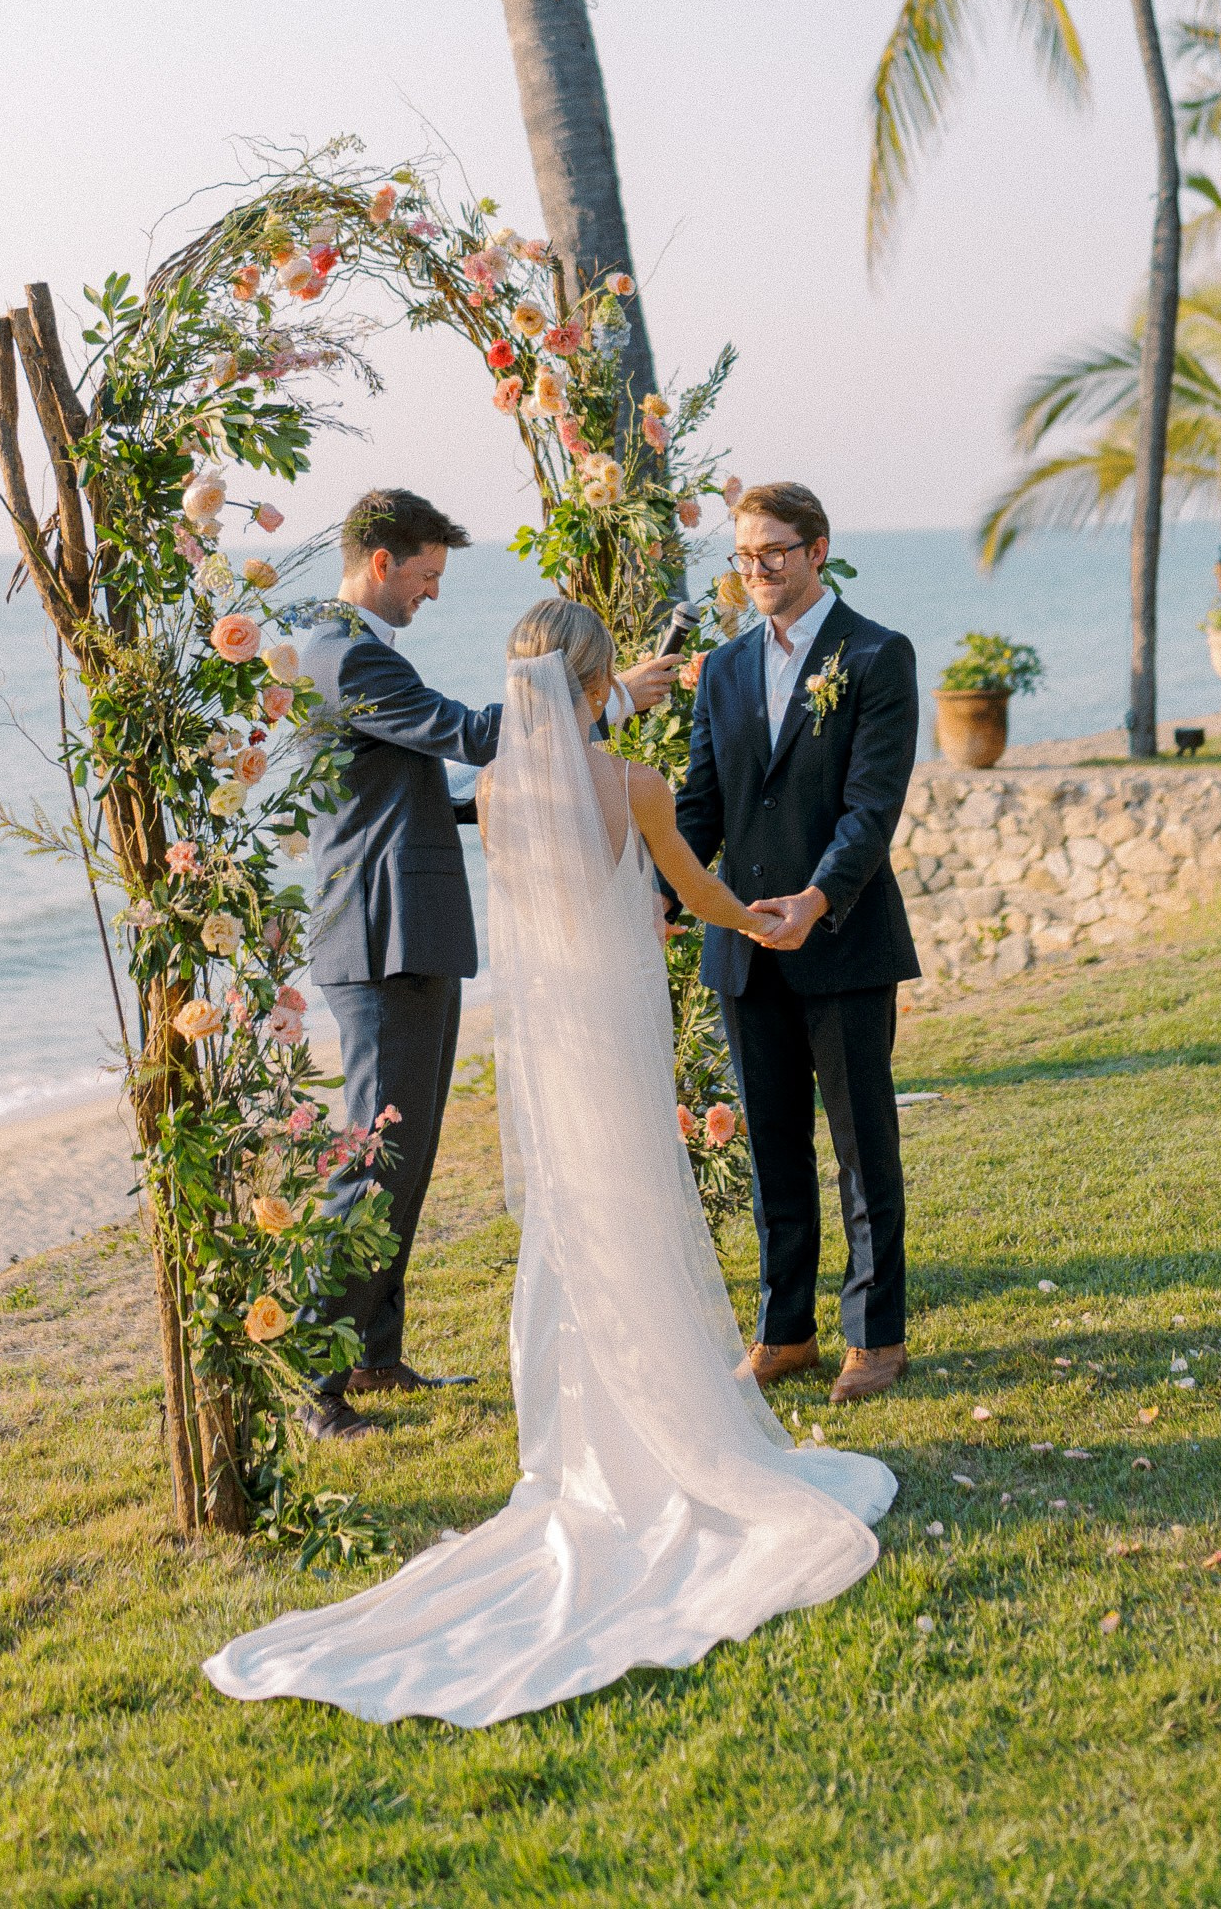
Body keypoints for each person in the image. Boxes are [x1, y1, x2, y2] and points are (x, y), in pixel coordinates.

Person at [204, 601, 895, 1726]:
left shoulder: (503, 796)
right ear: (597, 678)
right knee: (639, 1209)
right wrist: (764, 924)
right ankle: (671, 1429)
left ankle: (584, 1446)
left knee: (576, 1222)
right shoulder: (631, 786)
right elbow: (691, 892)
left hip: (549, 1042)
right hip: (616, 1029)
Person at [296, 490, 675, 1440]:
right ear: (380, 561)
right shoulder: (343, 655)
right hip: (381, 936)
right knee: (375, 1157)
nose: (430, 596)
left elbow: (421, 786)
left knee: (408, 1154)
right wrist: (606, 695)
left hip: (412, 930)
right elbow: (465, 734)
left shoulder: (357, 649)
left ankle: (375, 1355)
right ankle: (318, 1377)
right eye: (426, 576)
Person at [677, 481, 920, 1406]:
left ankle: (876, 1335)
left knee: (863, 1146)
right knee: (772, 1145)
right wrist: (665, 892)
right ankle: (786, 1332)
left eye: (775, 551)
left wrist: (818, 898)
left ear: (818, 550)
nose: (759, 570)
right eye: (744, 555)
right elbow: (701, 803)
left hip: (843, 939)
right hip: (743, 945)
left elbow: (872, 806)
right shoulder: (726, 666)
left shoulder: (876, 655)